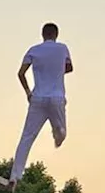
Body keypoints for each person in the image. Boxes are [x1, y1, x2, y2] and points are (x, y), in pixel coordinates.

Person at [13, 22, 73, 184]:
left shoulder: (34, 50)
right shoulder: (62, 48)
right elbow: (69, 68)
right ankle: (58, 132)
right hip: (56, 97)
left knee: (27, 137)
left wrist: (28, 92)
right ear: (56, 34)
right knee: (62, 132)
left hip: (37, 97)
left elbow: (21, 73)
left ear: (43, 34)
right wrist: (56, 70)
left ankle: (15, 175)